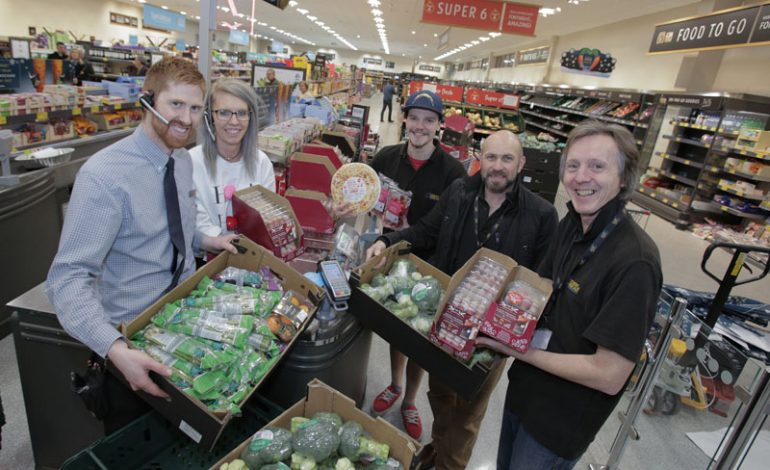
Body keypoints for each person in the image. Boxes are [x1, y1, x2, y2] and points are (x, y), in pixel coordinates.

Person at [46, 57, 238, 434]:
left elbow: (175, 229)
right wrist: (116, 350)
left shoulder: (180, 161)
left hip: (181, 325)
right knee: (136, 443)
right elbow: (67, 279)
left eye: (196, 108)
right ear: (147, 100)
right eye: (175, 104)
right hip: (130, 343)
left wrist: (209, 240)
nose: (186, 118)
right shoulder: (105, 176)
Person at [476, 121, 662, 470]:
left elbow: (609, 374)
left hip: (558, 422)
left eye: (597, 166)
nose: (580, 177)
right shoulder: (572, 222)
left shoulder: (635, 262)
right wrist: (492, 309)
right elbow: (541, 285)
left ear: (624, 178)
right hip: (525, 392)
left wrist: (518, 349)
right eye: (573, 165)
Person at [368, 130, 558, 469]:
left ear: (521, 163)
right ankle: (439, 449)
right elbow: (427, 231)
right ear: (480, 159)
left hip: (490, 339)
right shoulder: (459, 192)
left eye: (507, 158)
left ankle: (450, 463)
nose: (497, 167)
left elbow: (540, 283)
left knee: (468, 413)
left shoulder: (541, 215)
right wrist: (388, 240)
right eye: (491, 157)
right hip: (448, 321)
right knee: (441, 395)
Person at [367, 89, 466, 440]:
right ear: (404, 118)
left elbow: (451, 225)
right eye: (415, 117)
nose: (420, 126)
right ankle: (394, 384)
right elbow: (366, 198)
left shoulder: (454, 172)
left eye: (429, 119)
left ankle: (410, 400)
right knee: (397, 327)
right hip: (392, 258)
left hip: (430, 265)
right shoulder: (386, 158)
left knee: (421, 335)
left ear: (439, 125)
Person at [190, 78, 276, 257]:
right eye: (224, 112)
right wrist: (218, 240)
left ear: (250, 117)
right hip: (204, 262)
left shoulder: (262, 163)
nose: (234, 121)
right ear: (210, 116)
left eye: (242, 113)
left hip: (251, 259)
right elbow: (193, 220)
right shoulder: (192, 162)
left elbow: (267, 220)